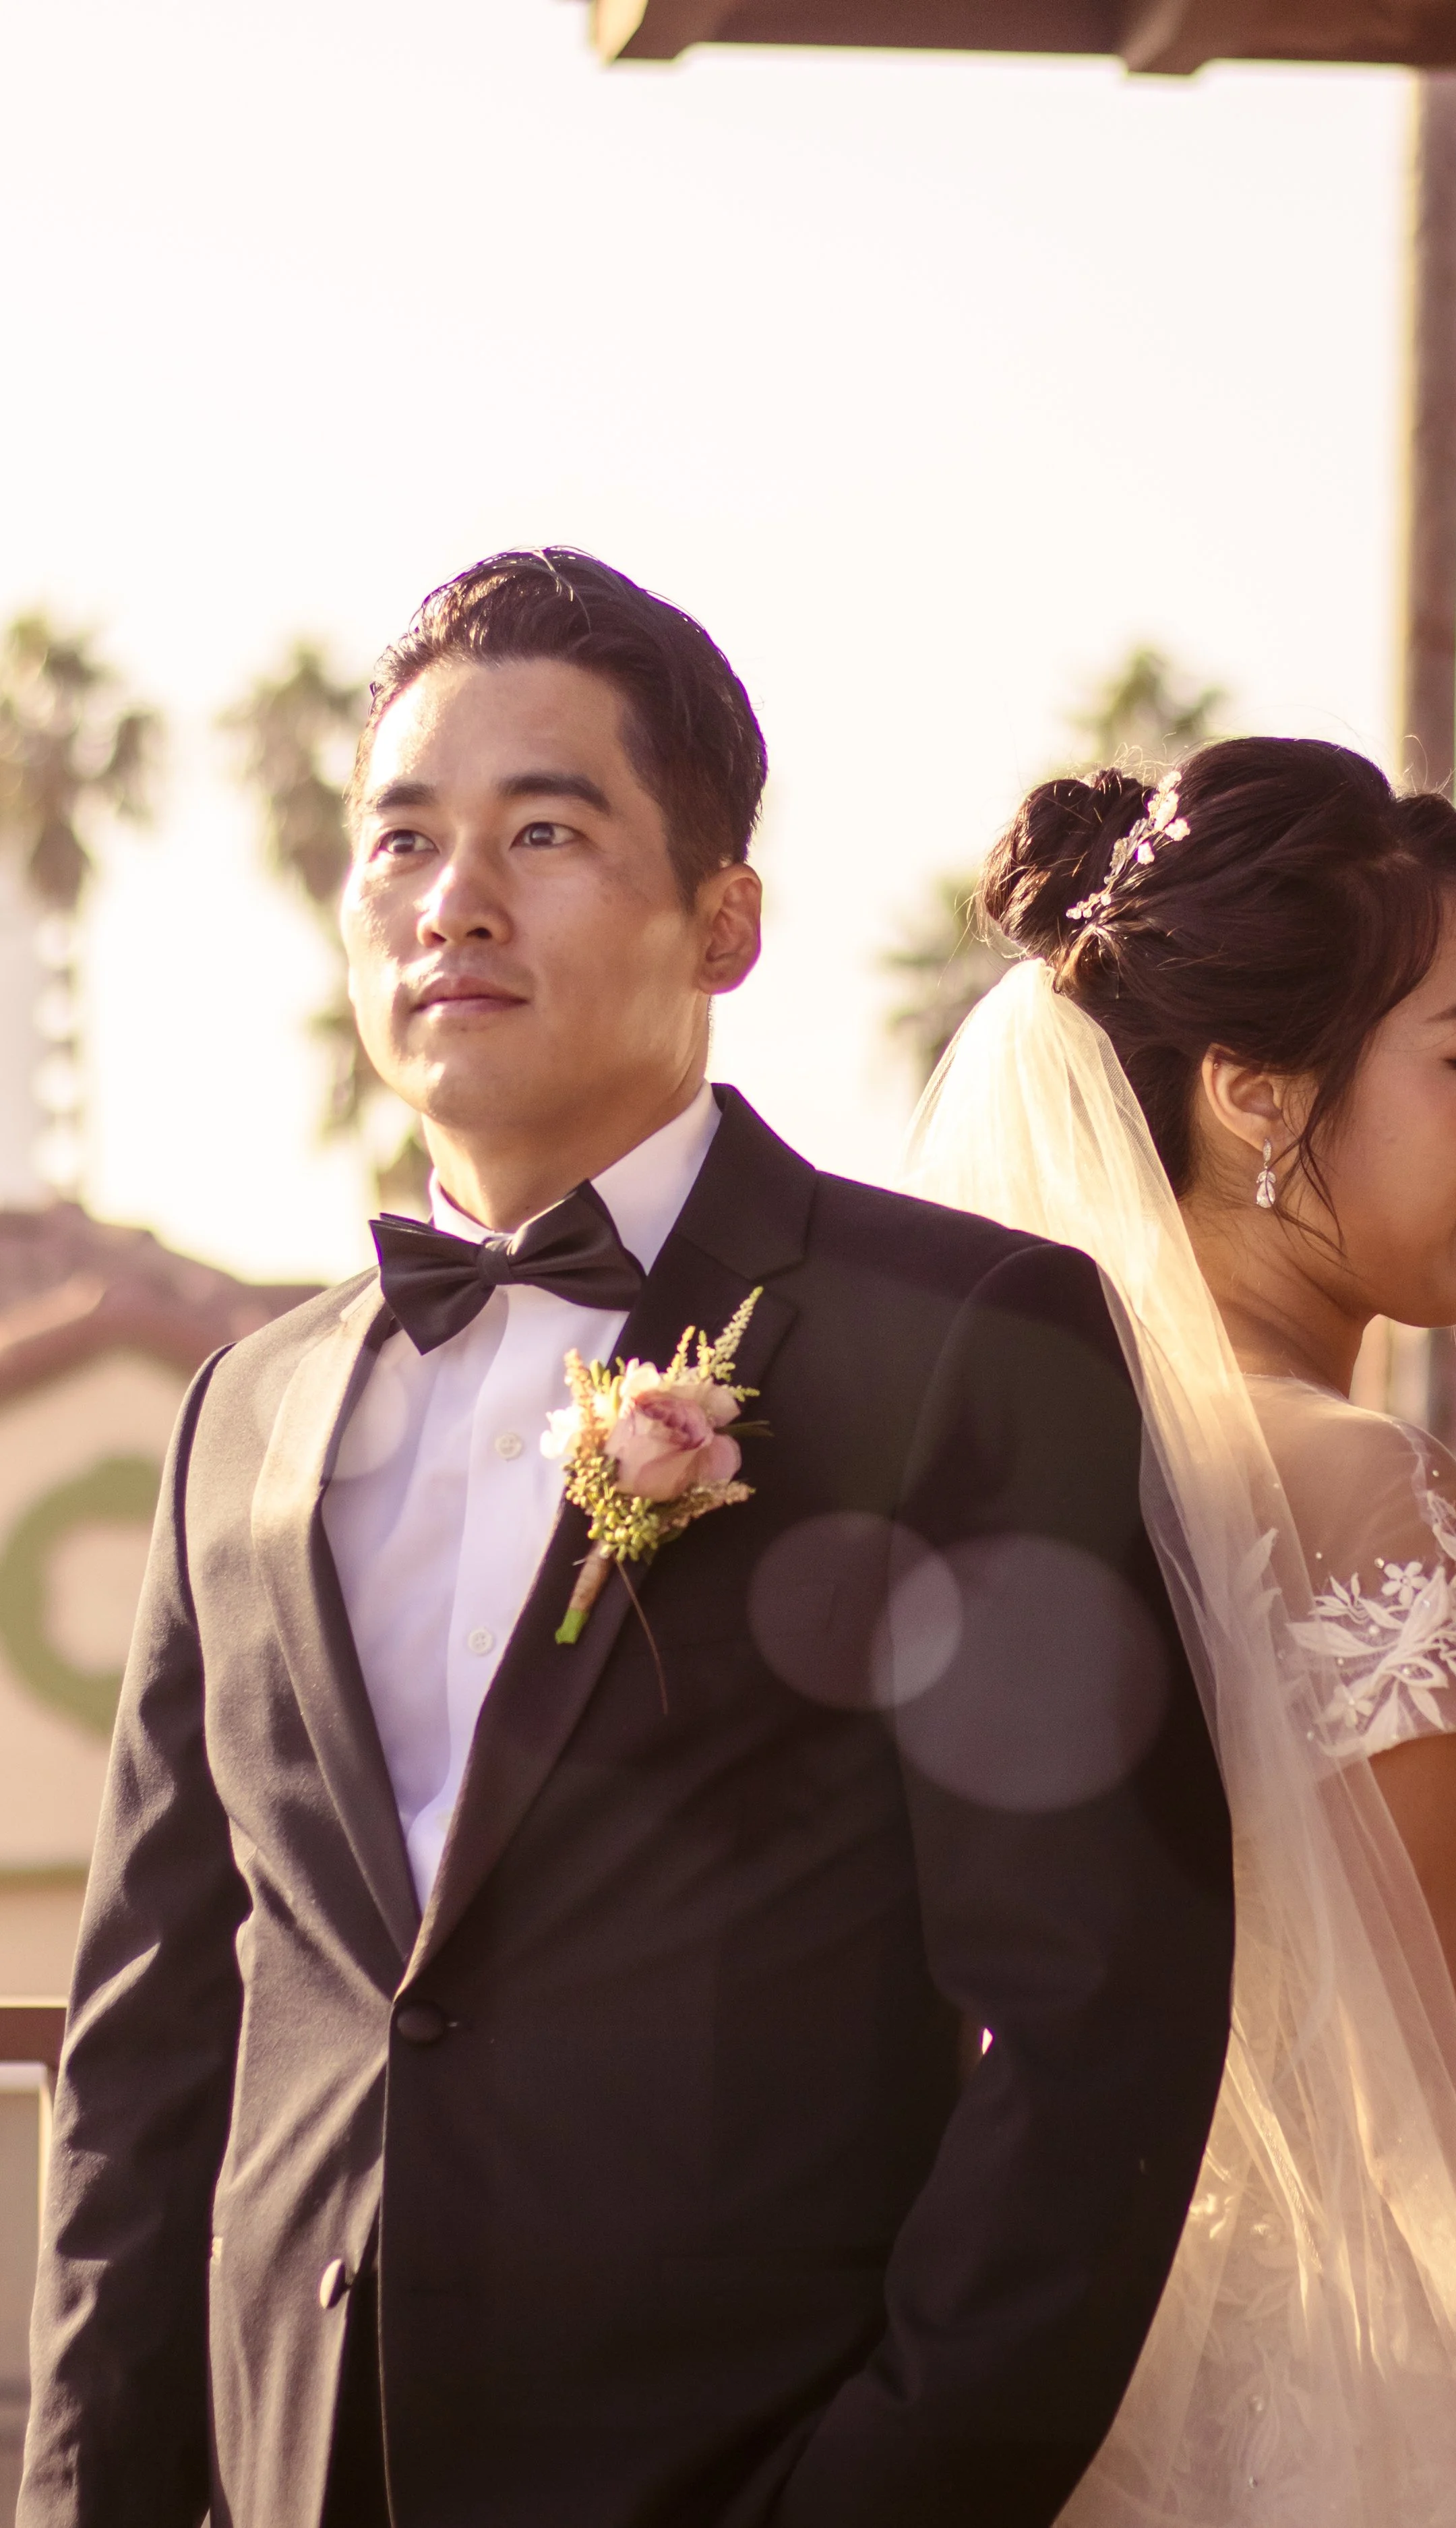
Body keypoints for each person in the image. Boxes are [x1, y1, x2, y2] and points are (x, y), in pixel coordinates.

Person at [19, 549, 1234, 2528]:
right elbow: (155, 2049)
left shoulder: (954, 1342)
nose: (451, 899)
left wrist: (882, 2492)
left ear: (725, 917)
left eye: (547, 829)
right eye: (398, 838)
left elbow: (1106, 2007)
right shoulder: (235, 1413)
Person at [903, 736, 1456, 2527]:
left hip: (1065, 2412)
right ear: (1257, 1091)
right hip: (1347, 2430)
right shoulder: (1363, 1490)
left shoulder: (1034, 1476)